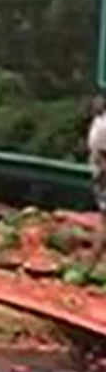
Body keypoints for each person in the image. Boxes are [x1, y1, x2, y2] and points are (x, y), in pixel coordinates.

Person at [87, 95, 106, 269]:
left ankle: (92, 263)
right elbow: (102, 156)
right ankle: (91, 263)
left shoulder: (96, 125)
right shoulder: (103, 126)